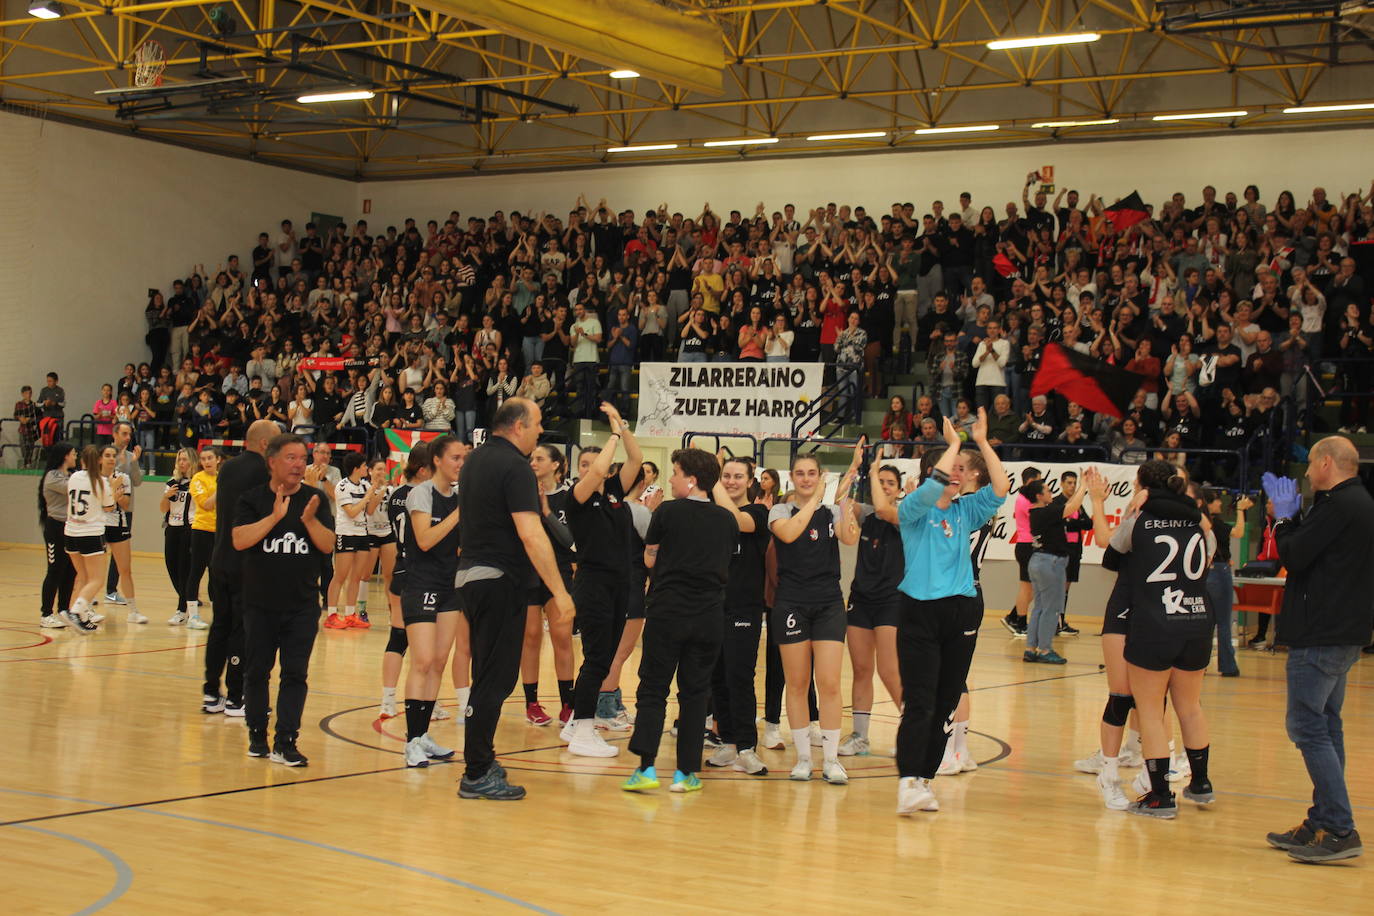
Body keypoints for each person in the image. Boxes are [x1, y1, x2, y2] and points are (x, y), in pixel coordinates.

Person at [882, 411, 1008, 815]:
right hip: (919, 612)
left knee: (945, 702)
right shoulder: (913, 511)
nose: (958, 475)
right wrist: (953, 445)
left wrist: (982, 443)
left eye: (961, 471)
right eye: (952, 469)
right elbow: (932, 486)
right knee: (919, 701)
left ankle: (925, 779)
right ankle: (907, 782)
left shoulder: (965, 510)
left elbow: (1002, 489)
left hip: (961, 612)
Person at [457, 397, 576, 800]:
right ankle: (475, 772)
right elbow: (531, 533)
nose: (541, 431)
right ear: (519, 426)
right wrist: (560, 592)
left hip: (472, 577)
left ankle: (482, 758)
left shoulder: (475, 460)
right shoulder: (515, 468)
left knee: (488, 674)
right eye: (538, 423)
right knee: (495, 678)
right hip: (498, 580)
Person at [1263, 438, 1374, 862]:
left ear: (1326, 462)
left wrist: (1285, 519)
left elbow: (1295, 553)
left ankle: (1341, 828)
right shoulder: (1358, 502)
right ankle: (1323, 820)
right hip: (1343, 630)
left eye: (1311, 464)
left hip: (1321, 634)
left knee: (1307, 727)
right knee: (1327, 725)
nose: (1307, 473)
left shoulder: (1339, 506)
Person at [621, 448, 739, 794]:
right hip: (708, 617)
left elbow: (649, 559)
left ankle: (645, 768)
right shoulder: (727, 520)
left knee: (653, 689)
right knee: (695, 694)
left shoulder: (667, 512)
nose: (670, 479)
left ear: (691, 479)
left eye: (675, 472)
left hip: (667, 613)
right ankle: (686, 772)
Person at [1112, 461, 1217, 819]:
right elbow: (1212, 549)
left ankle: (1160, 796)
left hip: (1155, 622)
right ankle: (1201, 783)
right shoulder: (1199, 524)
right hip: (1197, 618)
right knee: (1190, 706)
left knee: (1152, 712)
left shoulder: (1140, 519)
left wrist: (1133, 508)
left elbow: (1115, 550)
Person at [233, 434, 334, 766]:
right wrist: (275, 518)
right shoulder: (251, 499)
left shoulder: (315, 499)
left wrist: (307, 521)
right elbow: (239, 540)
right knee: (257, 672)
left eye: (302, 457)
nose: (298, 463)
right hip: (259, 604)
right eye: (290, 457)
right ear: (272, 462)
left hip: (302, 606)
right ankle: (257, 735)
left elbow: (328, 545)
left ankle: (286, 741)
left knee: (295, 674)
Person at [768, 442, 863, 784]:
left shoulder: (831, 510)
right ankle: (805, 758)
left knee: (829, 682)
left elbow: (850, 539)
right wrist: (815, 500)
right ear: (791, 478)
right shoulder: (779, 511)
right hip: (791, 602)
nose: (806, 479)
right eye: (800, 474)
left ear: (820, 475)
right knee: (796, 683)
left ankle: (832, 759)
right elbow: (791, 535)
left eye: (812, 473)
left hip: (828, 603)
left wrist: (844, 504)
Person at [560, 403, 644, 758]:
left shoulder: (613, 495)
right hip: (593, 584)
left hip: (619, 586)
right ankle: (582, 730)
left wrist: (622, 427)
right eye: (582, 465)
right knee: (597, 659)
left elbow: (636, 460)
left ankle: (574, 723)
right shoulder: (576, 498)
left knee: (603, 658)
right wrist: (610, 434)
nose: (589, 470)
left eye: (592, 465)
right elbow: (595, 470)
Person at [399, 435, 466, 768]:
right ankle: (411, 740)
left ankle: (423, 735)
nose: (460, 464)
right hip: (421, 583)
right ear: (437, 460)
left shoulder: (458, 496)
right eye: (455, 458)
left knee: (439, 662)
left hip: (449, 585)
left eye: (463, 459)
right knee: (422, 661)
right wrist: (459, 514)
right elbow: (425, 540)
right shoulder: (421, 493)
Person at [703, 455, 772, 776]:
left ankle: (747, 747)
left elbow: (737, 522)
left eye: (736, 476)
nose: (731, 481)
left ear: (749, 480)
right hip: (711, 607)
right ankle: (729, 742)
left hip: (744, 608)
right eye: (725, 476)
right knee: (717, 678)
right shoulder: (710, 512)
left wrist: (712, 478)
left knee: (739, 677)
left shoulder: (756, 512)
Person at [205, 420, 277, 718]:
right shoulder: (263, 471)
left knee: (220, 625)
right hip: (245, 562)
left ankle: (211, 692)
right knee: (241, 629)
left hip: (220, 557)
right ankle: (236, 696)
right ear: (263, 444)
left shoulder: (228, 468)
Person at [838, 460, 906, 758]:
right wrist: (853, 471)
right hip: (861, 600)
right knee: (862, 669)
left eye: (890, 482)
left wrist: (876, 475)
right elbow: (841, 501)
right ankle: (860, 737)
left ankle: (914, 728)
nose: (885, 486)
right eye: (881, 481)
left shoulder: (904, 515)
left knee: (890, 670)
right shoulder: (866, 514)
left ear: (899, 490)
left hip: (893, 600)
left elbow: (883, 509)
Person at [521, 444, 578, 726]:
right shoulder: (522, 494)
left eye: (540, 458)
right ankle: (531, 703)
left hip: (560, 574)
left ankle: (568, 704)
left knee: (562, 638)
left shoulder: (568, 497)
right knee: (530, 637)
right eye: (532, 458)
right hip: (527, 573)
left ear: (556, 465)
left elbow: (570, 540)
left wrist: (546, 512)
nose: (534, 462)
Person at [379, 443, 430, 719]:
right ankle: (424, 699)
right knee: (424, 643)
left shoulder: (396, 493)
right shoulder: (425, 495)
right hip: (421, 573)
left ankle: (387, 700)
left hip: (400, 567)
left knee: (397, 637)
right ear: (423, 470)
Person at [1023, 477, 1087, 664]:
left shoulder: (1036, 512)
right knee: (1051, 609)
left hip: (1038, 560)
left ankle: (1031, 648)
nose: (1051, 493)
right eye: (1047, 490)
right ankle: (1044, 649)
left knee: (1040, 607)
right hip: (1050, 563)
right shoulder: (1046, 511)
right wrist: (1083, 486)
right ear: (1039, 496)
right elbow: (1072, 507)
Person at [324, 452, 383, 630]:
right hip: (346, 533)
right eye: (365, 466)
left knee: (356, 577)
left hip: (362, 533)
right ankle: (332, 615)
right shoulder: (342, 486)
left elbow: (370, 510)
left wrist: (378, 490)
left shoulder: (365, 485)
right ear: (356, 468)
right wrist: (366, 498)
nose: (367, 468)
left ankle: (350, 614)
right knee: (340, 576)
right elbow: (351, 512)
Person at [63, 445, 114, 633]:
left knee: (83, 578)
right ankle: (75, 612)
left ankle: (80, 617)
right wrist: (113, 488)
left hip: (70, 532)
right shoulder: (102, 482)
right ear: (99, 460)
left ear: (83, 460)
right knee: (96, 580)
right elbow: (109, 507)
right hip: (90, 534)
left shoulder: (74, 477)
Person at [1205, 490, 1252, 678]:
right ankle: (1227, 665)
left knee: (1205, 622)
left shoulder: (1199, 521)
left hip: (1203, 572)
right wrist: (1240, 510)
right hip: (1219, 572)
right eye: (1216, 500)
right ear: (1208, 503)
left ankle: (1198, 664)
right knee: (1223, 622)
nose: (1220, 503)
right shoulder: (1214, 523)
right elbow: (1239, 532)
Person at [37, 442, 78, 628]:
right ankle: (46, 614)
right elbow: (73, 489)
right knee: (55, 570)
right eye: (73, 454)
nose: (75, 456)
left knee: (70, 570)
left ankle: (64, 610)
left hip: (70, 528)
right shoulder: (53, 476)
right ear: (64, 456)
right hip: (55, 528)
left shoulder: (72, 475)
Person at [104, 422, 144, 605]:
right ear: (115, 434)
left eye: (130, 434)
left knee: (119, 553)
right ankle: (86, 594)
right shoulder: (104, 454)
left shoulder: (131, 456)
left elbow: (137, 482)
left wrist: (134, 463)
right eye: (124, 433)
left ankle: (111, 591)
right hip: (103, 509)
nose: (128, 437)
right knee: (95, 549)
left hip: (125, 511)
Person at [101, 448, 142, 625]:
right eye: (107, 456)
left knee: (125, 569)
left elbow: (124, 504)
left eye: (113, 456)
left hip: (118, 525)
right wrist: (111, 490)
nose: (111, 459)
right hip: (98, 526)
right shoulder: (93, 479)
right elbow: (101, 506)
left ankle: (133, 611)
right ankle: (84, 609)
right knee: (92, 571)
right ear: (100, 459)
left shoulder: (123, 478)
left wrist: (115, 491)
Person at [1001, 467, 1041, 637]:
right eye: (1038, 480)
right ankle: (1020, 623)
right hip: (1026, 546)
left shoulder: (1027, 499)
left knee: (1031, 588)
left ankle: (1013, 617)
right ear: (1031, 481)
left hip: (1029, 546)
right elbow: (1037, 517)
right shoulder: (1024, 499)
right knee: (1026, 588)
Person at [183, 447, 220, 634]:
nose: (206, 461)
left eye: (210, 458)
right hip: (201, 530)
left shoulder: (221, 477)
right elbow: (206, 504)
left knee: (216, 573)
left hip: (219, 531)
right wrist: (222, 487)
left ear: (218, 459)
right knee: (196, 570)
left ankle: (218, 615)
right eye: (204, 458)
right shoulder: (198, 479)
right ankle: (193, 615)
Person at [161, 448, 197, 626]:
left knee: (185, 570)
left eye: (185, 459)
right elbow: (163, 508)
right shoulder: (171, 482)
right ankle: (188, 599)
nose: (182, 463)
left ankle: (182, 609)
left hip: (189, 529)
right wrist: (167, 496)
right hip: (172, 529)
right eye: (179, 459)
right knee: (171, 566)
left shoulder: (197, 482)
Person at [359, 459, 397, 630]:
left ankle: (393, 612)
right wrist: (380, 488)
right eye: (378, 469)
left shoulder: (390, 489)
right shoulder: (365, 487)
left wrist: (392, 485)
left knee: (389, 575)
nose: (381, 472)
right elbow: (370, 509)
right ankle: (361, 611)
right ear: (370, 471)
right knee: (365, 575)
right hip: (370, 532)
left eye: (384, 469)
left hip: (387, 532)